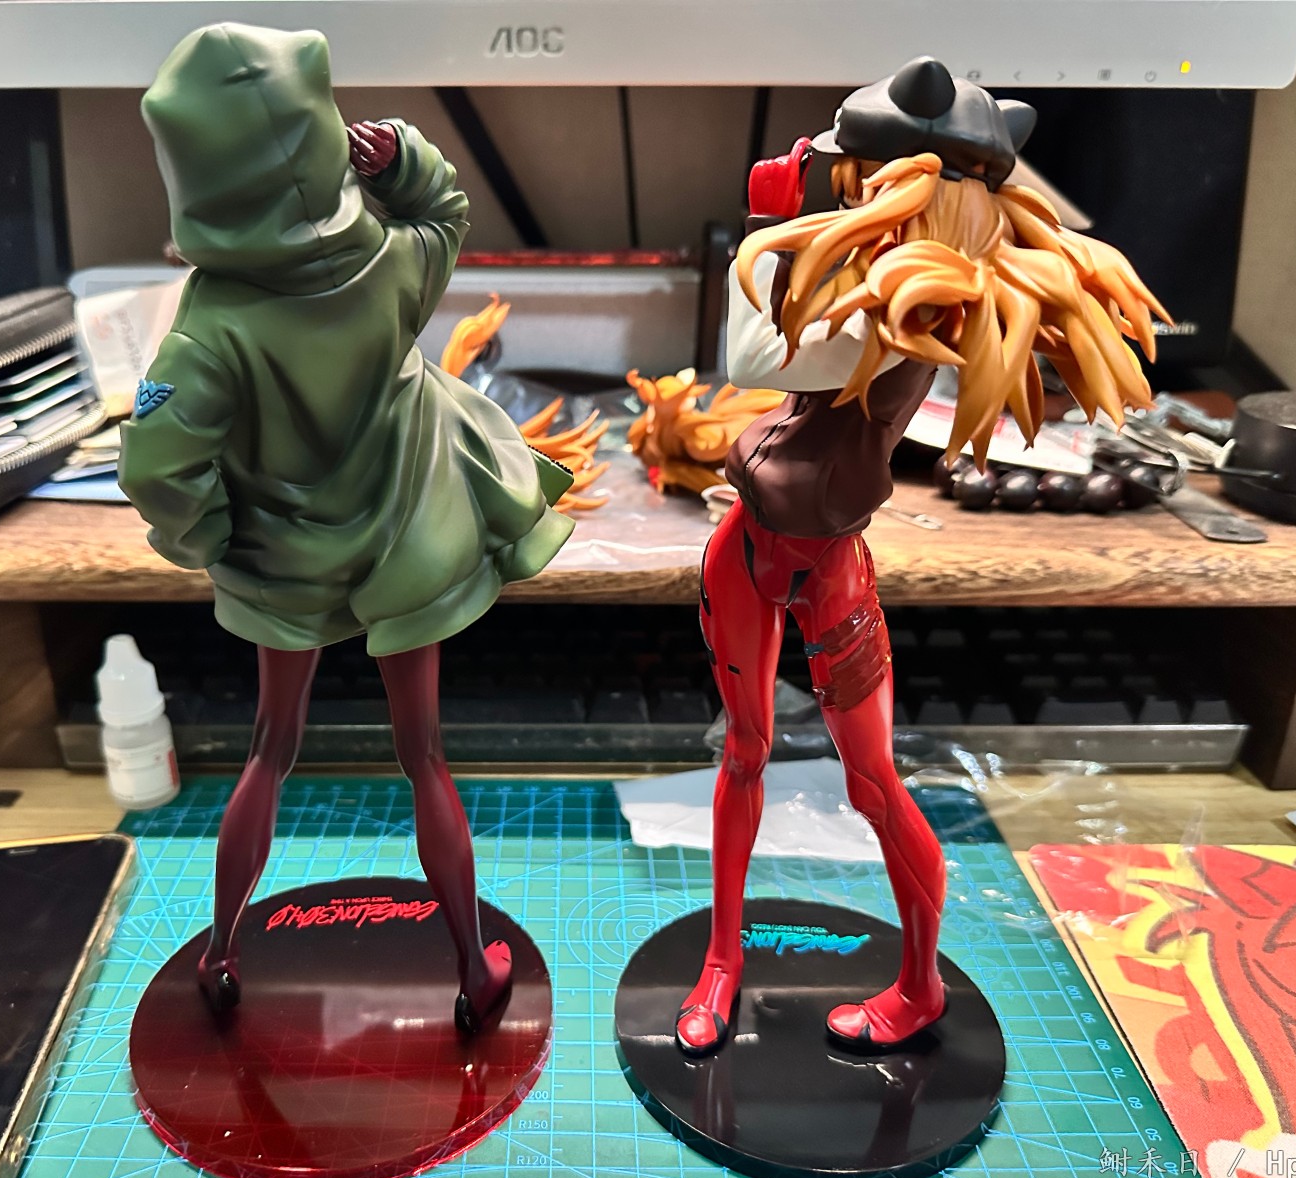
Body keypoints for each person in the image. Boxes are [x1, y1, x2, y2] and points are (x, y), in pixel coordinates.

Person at [676, 57, 1167, 1054]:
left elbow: (755, 353)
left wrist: (771, 227)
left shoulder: (914, 306)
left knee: (872, 785)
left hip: (829, 568)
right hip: (746, 546)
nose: (842, 182)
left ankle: (919, 988)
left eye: (856, 169)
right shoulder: (867, 276)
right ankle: (722, 960)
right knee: (744, 752)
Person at [119, 24, 574, 1031]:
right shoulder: (386, 263)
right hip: (409, 549)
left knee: (267, 752)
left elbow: (155, 468)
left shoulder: (208, 330)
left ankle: (222, 953)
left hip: (284, 568)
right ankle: (473, 971)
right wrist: (401, 155)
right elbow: (447, 209)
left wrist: (214, 539)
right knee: (426, 758)